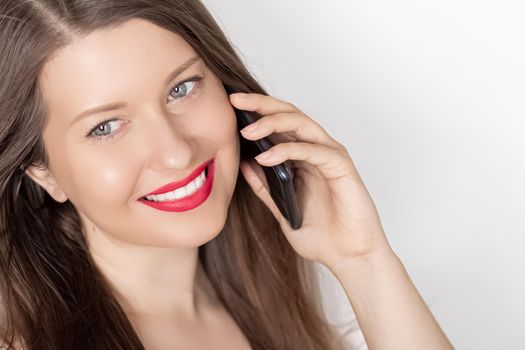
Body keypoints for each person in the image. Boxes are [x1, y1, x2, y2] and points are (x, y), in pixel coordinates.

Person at [0, 1, 454, 349]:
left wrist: (363, 261)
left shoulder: (265, 297)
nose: (177, 153)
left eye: (182, 88)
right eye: (106, 127)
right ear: (41, 170)